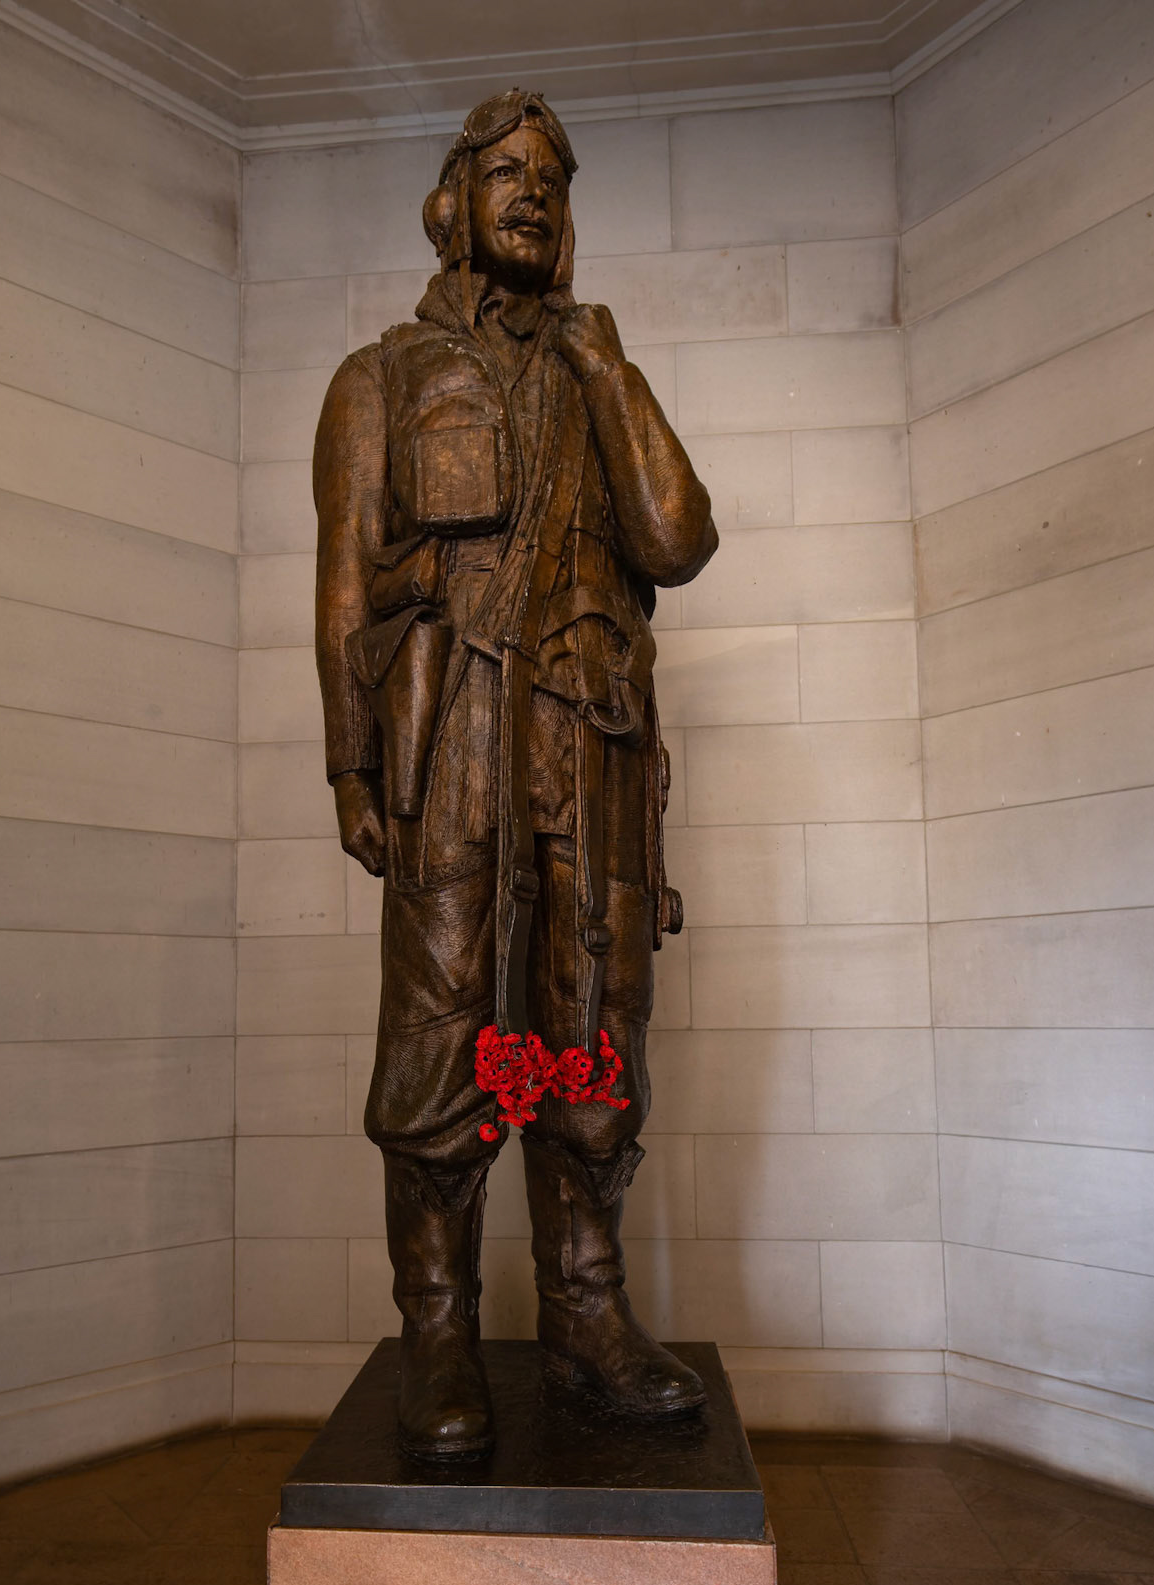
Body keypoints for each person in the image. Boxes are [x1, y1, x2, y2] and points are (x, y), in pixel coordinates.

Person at [313, 90, 719, 1460]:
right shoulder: (380, 377)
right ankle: (437, 1334)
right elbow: (339, 592)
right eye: (505, 174)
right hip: (452, 749)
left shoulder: (600, 365)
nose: (532, 196)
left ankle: (586, 1318)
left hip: (585, 745)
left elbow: (674, 541)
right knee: (439, 1041)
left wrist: (610, 376)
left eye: (552, 177)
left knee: (589, 1028)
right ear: (453, 202)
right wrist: (351, 769)